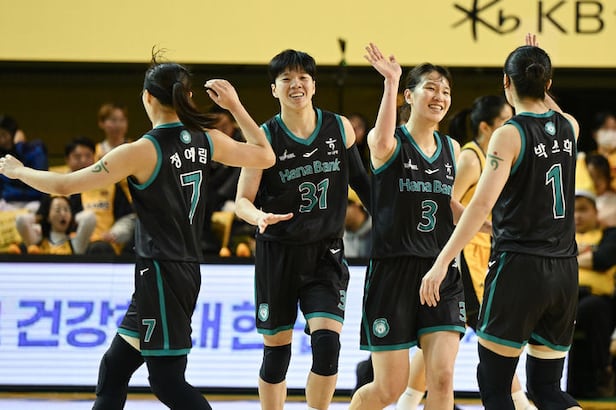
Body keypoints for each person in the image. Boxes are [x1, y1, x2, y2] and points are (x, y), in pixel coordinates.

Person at [0, 52, 275, 410]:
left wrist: (18, 171)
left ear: (147, 98)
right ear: (186, 97)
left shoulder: (141, 150)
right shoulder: (207, 139)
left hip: (161, 272)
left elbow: (64, 185)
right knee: (114, 368)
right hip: (178, 270)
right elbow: (265, 156)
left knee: (167, 381)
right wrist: (235, 107)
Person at [419, 34, 581, 410]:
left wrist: (442, 262)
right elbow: (552, 112)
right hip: (564, 270)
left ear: (506, 82)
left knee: (494, 387)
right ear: (548, 83)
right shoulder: (570, 127)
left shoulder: (508, 134)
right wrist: (536, 71)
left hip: (519, 267)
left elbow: (479, 207)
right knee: (548, 389)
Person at [234, 49, 370, 410]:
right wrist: (257, 216)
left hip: (326, 252)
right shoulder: (264, 137)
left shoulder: (339, 127)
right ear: (274, 89)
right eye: (287, 79)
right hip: (278, 252)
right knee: (277, 354)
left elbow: (364, 185)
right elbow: (242, 200)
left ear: (314, 85)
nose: (296, 85)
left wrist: (391, 225)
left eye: (303, 78)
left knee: (327, 346)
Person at [349, 43, 466, 410]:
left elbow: (453, 208)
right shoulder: (387, 141)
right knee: (389, 389)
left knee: (442, 379)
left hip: (440, 271)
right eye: (431, 87)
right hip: (393, 270)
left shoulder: (453, 149)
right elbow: (381, 140)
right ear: (409, 96)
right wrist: (390, 82)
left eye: (445, 90)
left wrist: (495, 225)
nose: (440, 96)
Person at [567, 189, 616, 398]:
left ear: (596, 212)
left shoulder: (609, 235)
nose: (577, 216)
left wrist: (568, 259)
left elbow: (603, 259)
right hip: (564, 297)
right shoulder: (559, 235)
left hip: (598, 299)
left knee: (592, 309)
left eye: (583, 210)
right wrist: (588, 258)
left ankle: (602, 372)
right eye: (573, 210)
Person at [15, 136, 96, 248]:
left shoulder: (108, 183)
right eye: (77, 156)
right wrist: (46, 219)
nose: (83, 160)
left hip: (82, 240)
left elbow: (88, 219)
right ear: (67, 159)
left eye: (88, 156)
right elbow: (27, 219)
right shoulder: (53, 182)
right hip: (48, 236)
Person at [16, 194, 96, 255]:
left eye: (66, 210)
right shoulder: (37, 241)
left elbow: (89, 218)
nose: (63, 214)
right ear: (48, 216)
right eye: (57, 210)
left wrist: (72, 218)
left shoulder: (75, 244)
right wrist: (42, 217)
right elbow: (21, 220)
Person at [0, 114, 48, 211]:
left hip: (33, 201)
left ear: (14, 134)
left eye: (4, 135)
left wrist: (20, 146)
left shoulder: (34, 150)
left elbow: (43, 184)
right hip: (8, 202)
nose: (1, 140)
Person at [343, 187, 371, 258]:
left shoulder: (381, 233)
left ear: (357, 204)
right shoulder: (338, 239)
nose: (339, 212)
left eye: (344, 205)